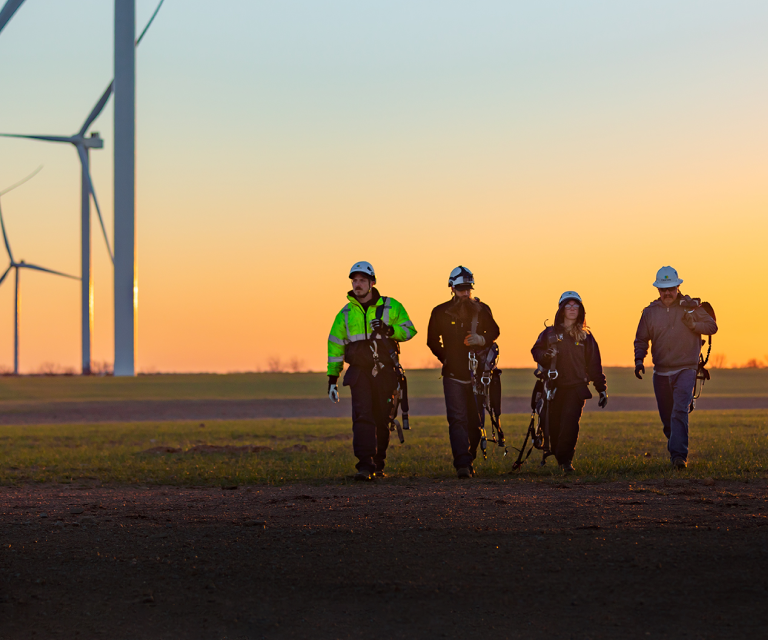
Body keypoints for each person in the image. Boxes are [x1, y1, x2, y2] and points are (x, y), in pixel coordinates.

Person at [327, 261, 417, 480]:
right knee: (362, 417)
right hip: (359, 374)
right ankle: (364, 466)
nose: (357, 285)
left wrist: (389, 330)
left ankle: (378, 464)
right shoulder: (345, 313)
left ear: (372, 282)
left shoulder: (391, 306)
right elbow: (335, 346)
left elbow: (410, 330)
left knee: (382, 418)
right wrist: (332, 378)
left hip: (385, 372)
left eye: (362, 280)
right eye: (354, 280)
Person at [634, 266, 718, 470]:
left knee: (679, 411)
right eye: (663, 289)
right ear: (658, 290)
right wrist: (639, 360)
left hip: (686, 369)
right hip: (660, 372)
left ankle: (679, 457)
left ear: (678, 286)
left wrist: (693, 325)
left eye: (671, 288)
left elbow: (712, 327)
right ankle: (676, 447)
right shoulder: (649, 312)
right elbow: (641, 339)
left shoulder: (692, 307)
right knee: (667, 419)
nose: (667, 293)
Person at [427, 266, 500, 479]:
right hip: (453, 375)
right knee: (457, 419)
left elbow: (495, 331)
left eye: (468, 289)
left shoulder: (482, 309)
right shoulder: (439, 311)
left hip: (478, 376)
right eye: (460, 289)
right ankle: (462, 465)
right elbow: (432, 341)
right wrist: (446, 357)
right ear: (451, 288)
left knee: (476, 421)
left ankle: (470, 458)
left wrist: (483, 340)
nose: (465, 293)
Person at [531, 291, 607, 475]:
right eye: (568, 305)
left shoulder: (586, 337)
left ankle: (565, 461)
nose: (572, 309)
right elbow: (536, 352)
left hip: (576, 388)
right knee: (554, 424)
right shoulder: (549, 333)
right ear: (561, 309)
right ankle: (559, 456)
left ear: (581, 310)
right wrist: (545, 356)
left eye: (576, 305)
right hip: (554, 388)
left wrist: (601, 389)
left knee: (570, 424)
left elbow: (594, 365)